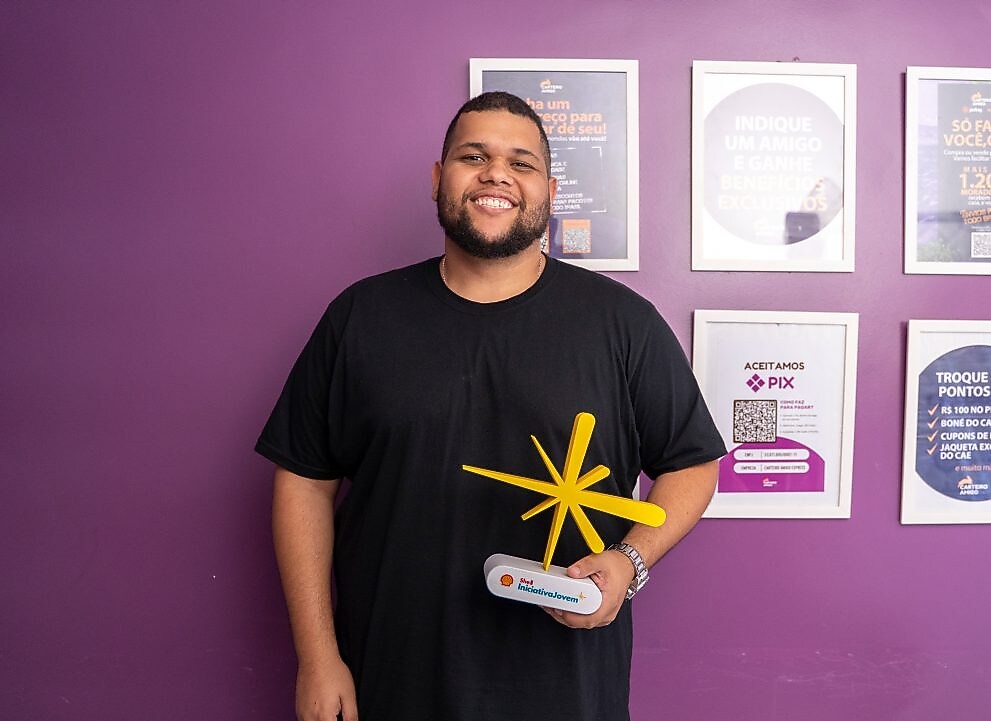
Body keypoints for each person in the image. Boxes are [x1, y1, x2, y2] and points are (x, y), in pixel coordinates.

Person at [257, 91, 726, 721]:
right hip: (390, 678)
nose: (495, 174)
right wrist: (318, 659)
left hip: (568, 687)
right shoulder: (360, 318)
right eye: (472, 156)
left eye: (521, 162)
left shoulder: (623, 324)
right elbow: (304, 484)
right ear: (437, 179)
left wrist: (629, 562)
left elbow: (694, 465)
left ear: (551, 191)